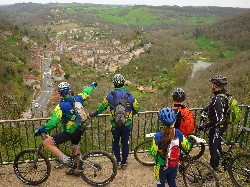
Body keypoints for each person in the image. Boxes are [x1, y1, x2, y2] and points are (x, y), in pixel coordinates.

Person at [34, 81, 97, 171]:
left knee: (46, 143)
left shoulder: (60, 106)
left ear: (60, 93)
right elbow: (86, 92)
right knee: (75, 147)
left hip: (70, 132)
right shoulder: (78, 98)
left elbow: (52, 123)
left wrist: (41, 130)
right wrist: (92, 85)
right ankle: (78, 168)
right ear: (69, 91)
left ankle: (64, 159)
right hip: (80, 128)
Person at [88, 74, 140, 170]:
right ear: (124, 83)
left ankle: (118, 161)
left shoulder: (110, 95)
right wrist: (131, 113)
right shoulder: (130, 95)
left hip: (114, 124)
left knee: (115, 142)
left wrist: (93, 114)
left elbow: (101, 107)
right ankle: (124, 162)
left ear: (114, 84)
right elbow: (137, 109)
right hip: (127, 124)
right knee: (125, 143)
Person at [149, 107, 190, 187]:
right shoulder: (178, 133)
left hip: (160, 166)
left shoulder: (158, 136)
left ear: (161, 122)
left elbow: (152, 152)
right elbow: (187, 147)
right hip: (174, 164)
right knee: (172, 182)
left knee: (160, 184)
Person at [199, 75, 229, 171]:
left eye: (213, 84)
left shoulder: (218, 99)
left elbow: (218, 118)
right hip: (223, 126)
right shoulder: (224, 95)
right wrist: (207, 108)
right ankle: (220, 161)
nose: (212, 85)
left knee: (213, 149)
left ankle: (212, 171)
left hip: (217, 127)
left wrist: (206, 126)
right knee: (218, 146)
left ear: (215, 85)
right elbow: (216, 107)